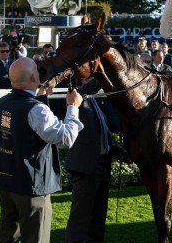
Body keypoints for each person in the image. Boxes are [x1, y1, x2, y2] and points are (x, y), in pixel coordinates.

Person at [0, 58, 84, 243]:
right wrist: (73, 108)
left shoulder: (4, 102)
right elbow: (65, 138)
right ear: (34, 77)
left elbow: (25, 127)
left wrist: (40, 95)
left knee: (9, 238)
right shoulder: (36, 109)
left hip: (7, 183)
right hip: (31, 188)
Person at [64, 78, 121, 243]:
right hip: (85, 168)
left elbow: (105, 138)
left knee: (98, 219)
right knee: (80, 219)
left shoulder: (96, 102)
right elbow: (93, 84)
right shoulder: (75, 98)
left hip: (101, 166)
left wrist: (123, 152)